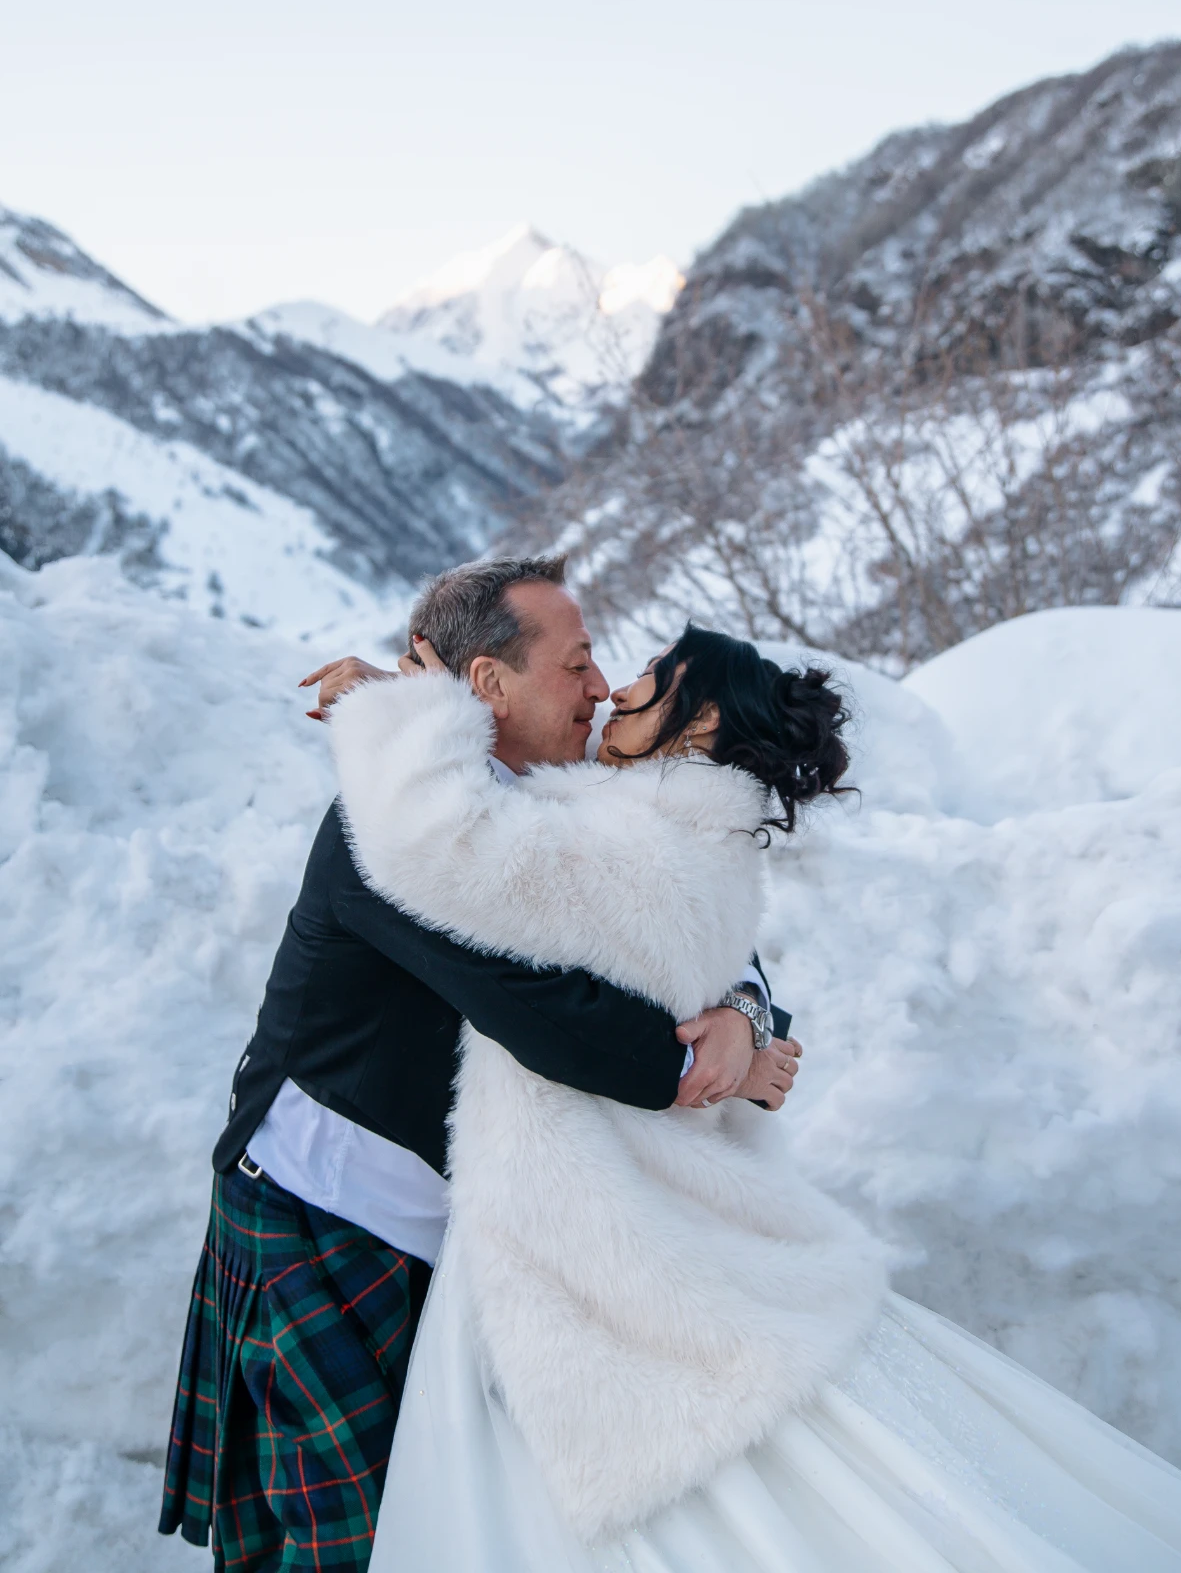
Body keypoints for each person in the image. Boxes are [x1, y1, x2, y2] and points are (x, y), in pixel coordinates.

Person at [326, 619, 1181, 1573]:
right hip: (601, 1214)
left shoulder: (629, 845)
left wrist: (405, 712)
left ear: (695, 726)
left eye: (649, 680)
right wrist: (749, 1016)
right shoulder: (692, 836)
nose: (616, 690)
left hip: (587, 1228)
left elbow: (443, 844)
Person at [159, 556, 795, 1573]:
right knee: (344, 1548)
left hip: (448, 1241)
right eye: (577, 664)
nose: (600, 688)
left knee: (442, 1532)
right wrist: (703, 1068)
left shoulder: (549, 796)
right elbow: (550, 1017)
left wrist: (740, 1012)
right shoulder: (392, 833)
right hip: (321, 1216)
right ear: (488, 688)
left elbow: (671, 913)